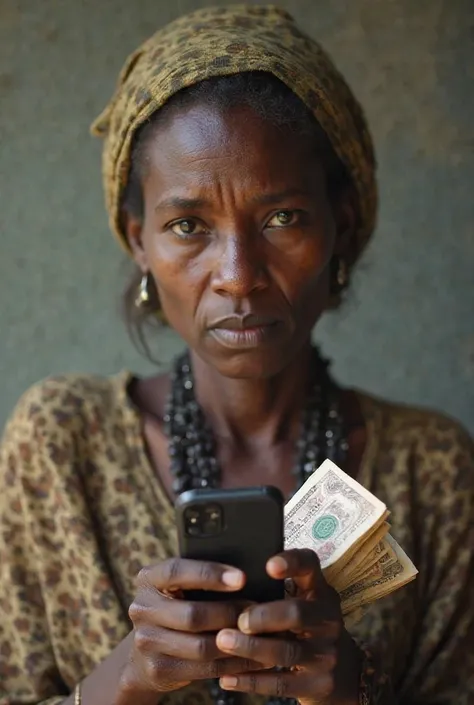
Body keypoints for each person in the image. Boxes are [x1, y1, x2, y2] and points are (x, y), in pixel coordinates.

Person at [0, 5, 473, 705]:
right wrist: (126, 678)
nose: (238, 273)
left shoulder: (431, 469)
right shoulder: (61, 444)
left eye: (282, 217)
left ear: (339, 226)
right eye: (189, 225)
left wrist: (350, 693)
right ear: (140, 241)